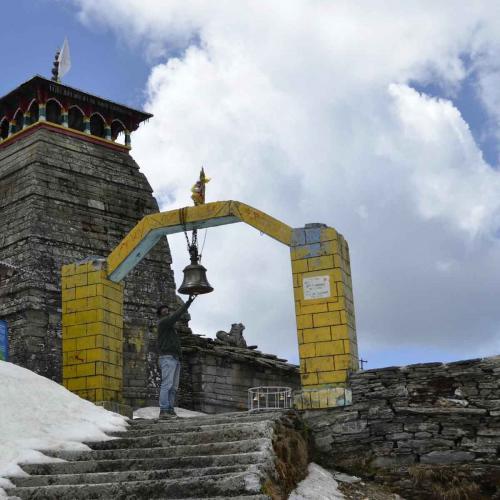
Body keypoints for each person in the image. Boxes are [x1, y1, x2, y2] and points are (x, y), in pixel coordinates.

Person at [157, 295, 196, 419]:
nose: (166, 310)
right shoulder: (163, 322)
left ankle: (170, 409)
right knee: (167, 385)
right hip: (167, 358)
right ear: (160, 313)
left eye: (166, 308)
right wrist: (188, 302)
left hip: (175, 358)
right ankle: (163, 410)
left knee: (173, 387)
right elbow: (176, 315)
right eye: (163, 309)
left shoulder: (171, 329)